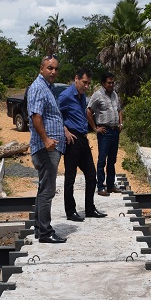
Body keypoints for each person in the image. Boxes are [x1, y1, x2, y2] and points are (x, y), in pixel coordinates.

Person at [57, 67, 107, 221]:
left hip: (83, 139)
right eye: (84, 82)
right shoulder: (65, 96)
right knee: (70, 177)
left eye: (88, 84)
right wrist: (65, 131)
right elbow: (55, 115)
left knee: (91, 175)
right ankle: (70, 211)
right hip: (72, 140)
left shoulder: (82, 96)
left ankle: (90, 208)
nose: (86, 86)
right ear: (76, 79)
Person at [27, 55, 67, 243]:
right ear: (42, 68)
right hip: (45, 148)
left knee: (44, 188)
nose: (53, 72)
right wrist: (46, 139)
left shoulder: (47, 88)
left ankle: (39, 228)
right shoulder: (38, 87)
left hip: (50, 146)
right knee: (48, 191)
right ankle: (45, 232)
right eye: (50, 68)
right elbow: (36, 116)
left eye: (56, 68)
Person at [87, 72, 124, 196]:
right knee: (102, 159)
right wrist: (94, 128)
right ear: (103, 83)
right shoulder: (97, 95)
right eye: (109, 82)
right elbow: (89, 111)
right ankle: (100, 186)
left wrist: (121, 124)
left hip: (115, 131)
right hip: (105, 131)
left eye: (113, 82)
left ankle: (110, 185)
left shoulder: (114, 94)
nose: (111, 84)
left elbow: (119, 110)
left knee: (112, 160)